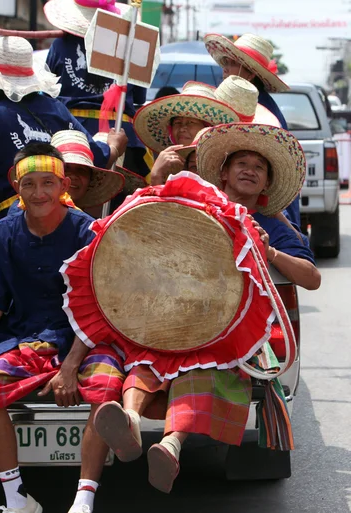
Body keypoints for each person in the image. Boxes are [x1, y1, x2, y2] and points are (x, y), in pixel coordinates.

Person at [92, 122, 320, 494]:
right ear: (224, 173)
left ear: (265, 185)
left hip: (238, 332)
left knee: (209, 365)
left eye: (259, 167)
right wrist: (155, 178)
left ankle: (171, 445)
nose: (249, 170)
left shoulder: (276, 228)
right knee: (146, 355)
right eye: (241, 162)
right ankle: (129, 421)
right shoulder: (189, 203)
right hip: (175, 317)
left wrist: (271, 253)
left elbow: (311, 278)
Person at [0, 143, 125, 513]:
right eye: (30, 184)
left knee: (106, 387)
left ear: (63, 186)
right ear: (16, 185)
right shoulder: (4, 232)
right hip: (27, 334)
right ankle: (16, 499)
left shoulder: (88, 231)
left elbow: (98, 305)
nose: (39, 193)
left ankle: (83, 501)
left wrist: (71, 366)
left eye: (48, 183)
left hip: (84, 338)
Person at [0, 36, 128, 222]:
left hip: (10, 222)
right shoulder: (56, 108)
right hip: (61, 217)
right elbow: (95, 156)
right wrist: (113, 147)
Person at [43, 0, 152, 182]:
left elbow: (47, 90)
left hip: (70, 131)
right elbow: (139, 97)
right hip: (119, 131)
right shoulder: (132, 47)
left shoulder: (60, 45)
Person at [204, 33, 301, 227]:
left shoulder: (264, 115)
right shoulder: (242, 104)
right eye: (225, 62)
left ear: (250, 74)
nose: (225, 69)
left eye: (232, 63)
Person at [134, 79, 240, 186]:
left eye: (191, 122)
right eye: (177, 122)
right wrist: (156, 176)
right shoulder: (164, 164)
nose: (182, 128)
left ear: (207, 129)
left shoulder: (222, 166)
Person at [7, 130, 125, 218]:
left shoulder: (85, 225)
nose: (72, 176)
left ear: (90, 180)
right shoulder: (23, 210)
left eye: (81, 170)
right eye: (66, 169)